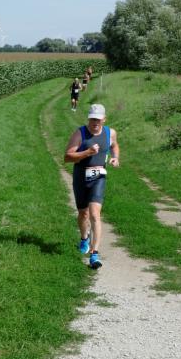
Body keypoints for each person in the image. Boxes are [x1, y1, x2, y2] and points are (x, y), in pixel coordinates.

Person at [64, 103, 120, 269]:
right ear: (89, 118)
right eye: (92, 119)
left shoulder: (110, 133)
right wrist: (87, 152)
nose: (95, 122)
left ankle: (94, 254)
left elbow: (114, 145)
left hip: (99, 177)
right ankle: (84, 239)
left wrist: (115, 157)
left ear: (104, 119)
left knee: (95, 214)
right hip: (81, 177)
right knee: (83, 214)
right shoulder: (80, 133)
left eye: (98, 119)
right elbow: (67, 157)